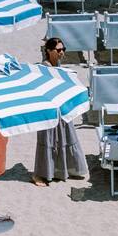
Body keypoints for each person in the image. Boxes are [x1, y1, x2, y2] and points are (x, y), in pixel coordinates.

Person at [31, 38, 89, 186]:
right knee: (48, 141)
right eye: (58, 50)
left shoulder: (57, 65)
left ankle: (60, 171)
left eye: (63, 49)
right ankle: (41, 175)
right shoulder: (44, 68)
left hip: (60, 108)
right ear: (49, 51)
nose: (62, 52)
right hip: (49, 111)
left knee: (64, 138)